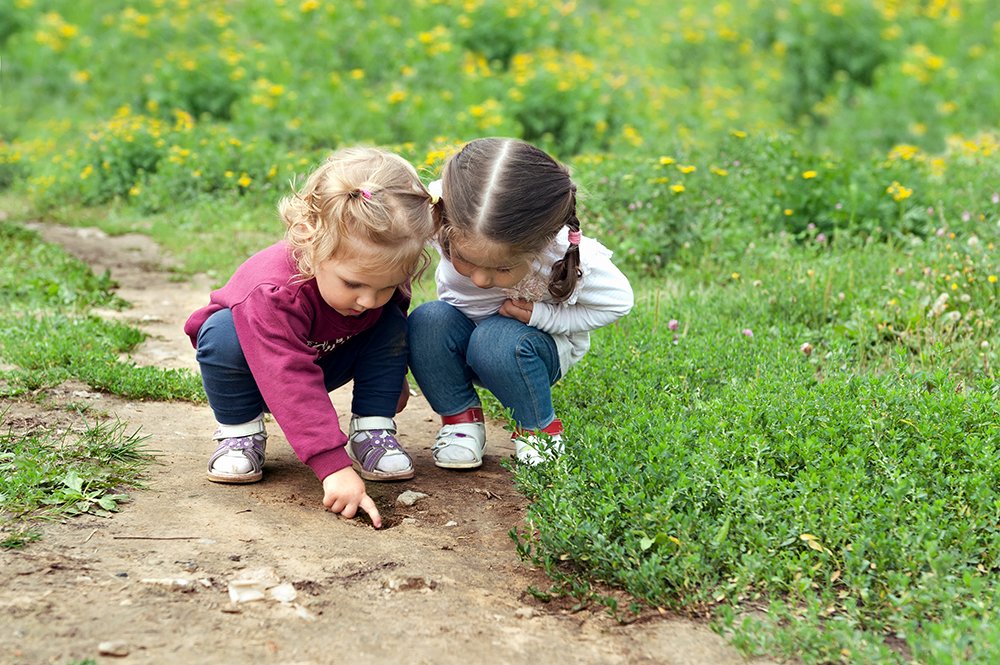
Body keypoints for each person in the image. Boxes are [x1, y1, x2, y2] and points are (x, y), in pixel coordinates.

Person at [183, 146, 438, 529]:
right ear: (310, 242)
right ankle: (240, 434)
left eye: (386, 285)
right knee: (222, 334)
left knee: (387, 320)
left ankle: (373, 429)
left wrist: (389, 379)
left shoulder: (373, 285)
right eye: (353, 284)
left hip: (329, 355)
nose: (368, 300)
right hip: (257, 370)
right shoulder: (273, 291)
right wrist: (332, 465)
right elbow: (286, 376)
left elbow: (390, 325)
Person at [408, 137, 634, 468]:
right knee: (427, 320)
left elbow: (618, 303)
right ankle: (461, 424)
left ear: (540, 246)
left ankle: (538, 430)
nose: (480, 280)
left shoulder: (560, 254)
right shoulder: (448, 212)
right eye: (465, 260)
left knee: (494, 338)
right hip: (463, 341)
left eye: (502, 269)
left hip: (527, 352)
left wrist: (544, 316)